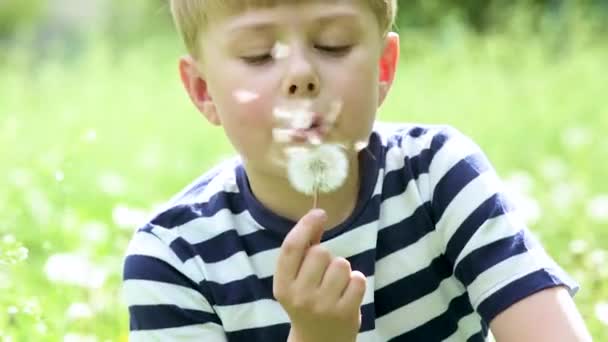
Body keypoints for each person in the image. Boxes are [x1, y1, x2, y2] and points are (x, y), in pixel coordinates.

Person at [122, 1, 592, 341]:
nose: (301, 74)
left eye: (333, 44)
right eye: (259, 54)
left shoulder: (438, 177)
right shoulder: (174, 259)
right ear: (204, 90)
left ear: (383, 67)